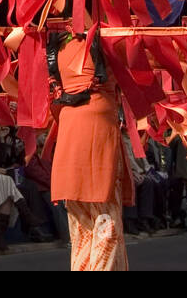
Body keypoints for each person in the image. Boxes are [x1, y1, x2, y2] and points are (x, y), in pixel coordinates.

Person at [49, 31, 131, 271]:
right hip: (98, 125)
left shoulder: (56, 40)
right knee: (106, 220)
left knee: (82, 224)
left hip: (70, 126)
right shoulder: (109, 37)